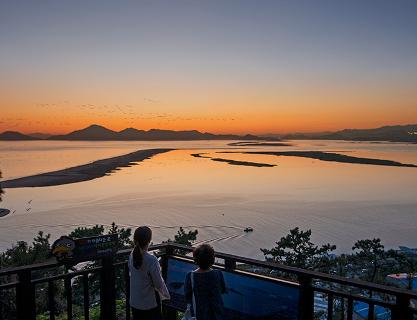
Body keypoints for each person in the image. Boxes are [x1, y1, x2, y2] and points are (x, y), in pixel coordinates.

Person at [128, 226, 170, 320]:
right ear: (149, 240)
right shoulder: (151, 260)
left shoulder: (132, 255)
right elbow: (158, 284)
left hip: (135, 302)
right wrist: (167, 295)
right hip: (148, 304)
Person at [184, 244, 226, 320]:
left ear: (195, 259)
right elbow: (222, 290)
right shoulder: (218, 274)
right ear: (212, 259)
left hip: (198, 314)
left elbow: (187, 295)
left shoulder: (190, 276)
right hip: (216, 313)